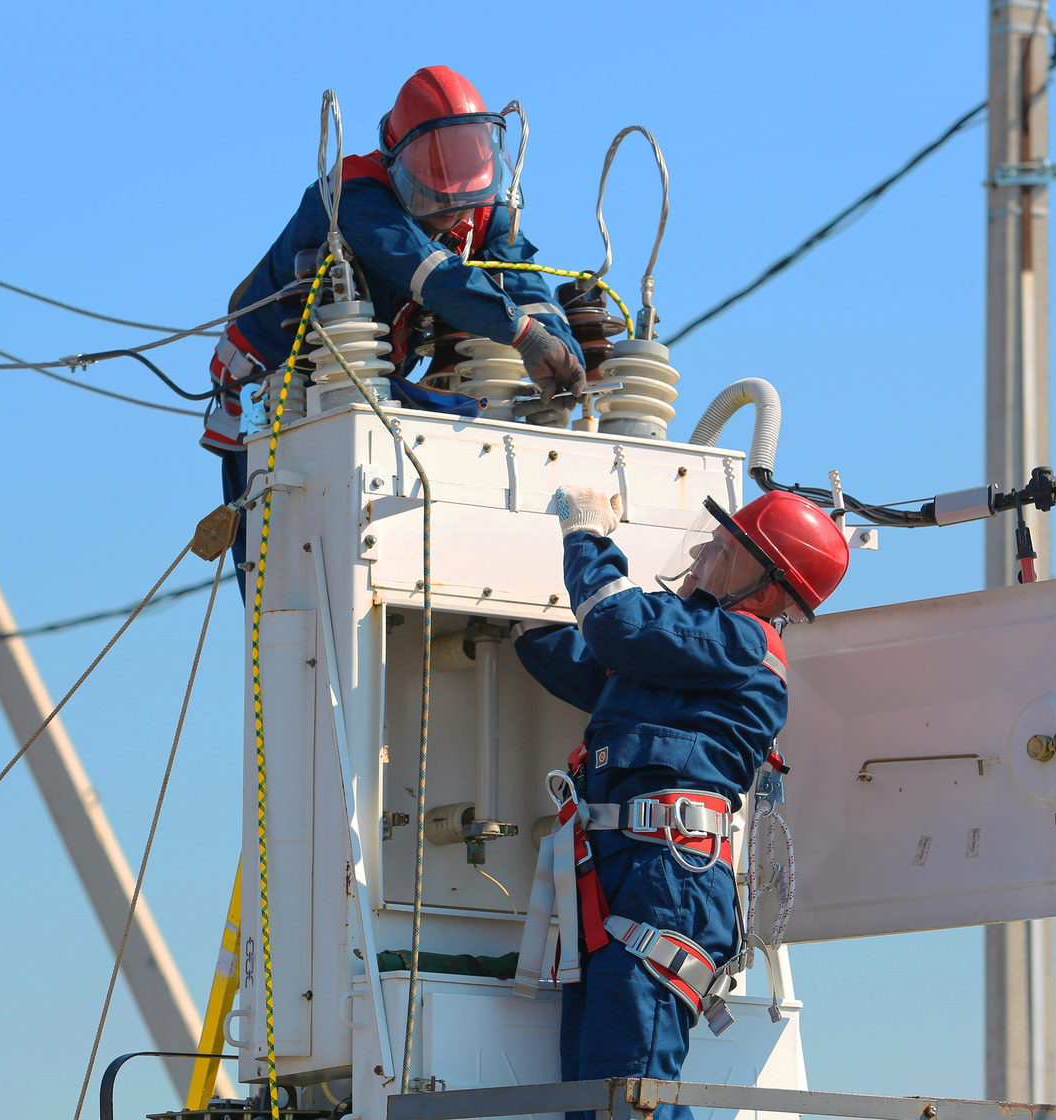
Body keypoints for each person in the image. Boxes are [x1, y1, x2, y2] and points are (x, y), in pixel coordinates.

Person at [514, 485, 850, 1120]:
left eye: (723, 548)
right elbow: (590, 660)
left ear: (767, 589)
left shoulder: (744, 644)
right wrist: (514, 609)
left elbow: (617, 626)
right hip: (631, 878)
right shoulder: (689, 652)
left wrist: (587, 537)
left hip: (667, 880)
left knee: (627, 1097)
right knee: (596, 1101)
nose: (701, 550)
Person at [198, 65, 585, 579]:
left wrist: (559, 345)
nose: (450, 217)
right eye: (432, 201)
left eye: (463, 203)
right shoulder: (349, 195)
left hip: (366, 389)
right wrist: (523, 336)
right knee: (284, 587)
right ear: (393, 162)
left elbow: (524, 283)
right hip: (270, 398)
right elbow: (425, 269)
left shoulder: (486, 209)